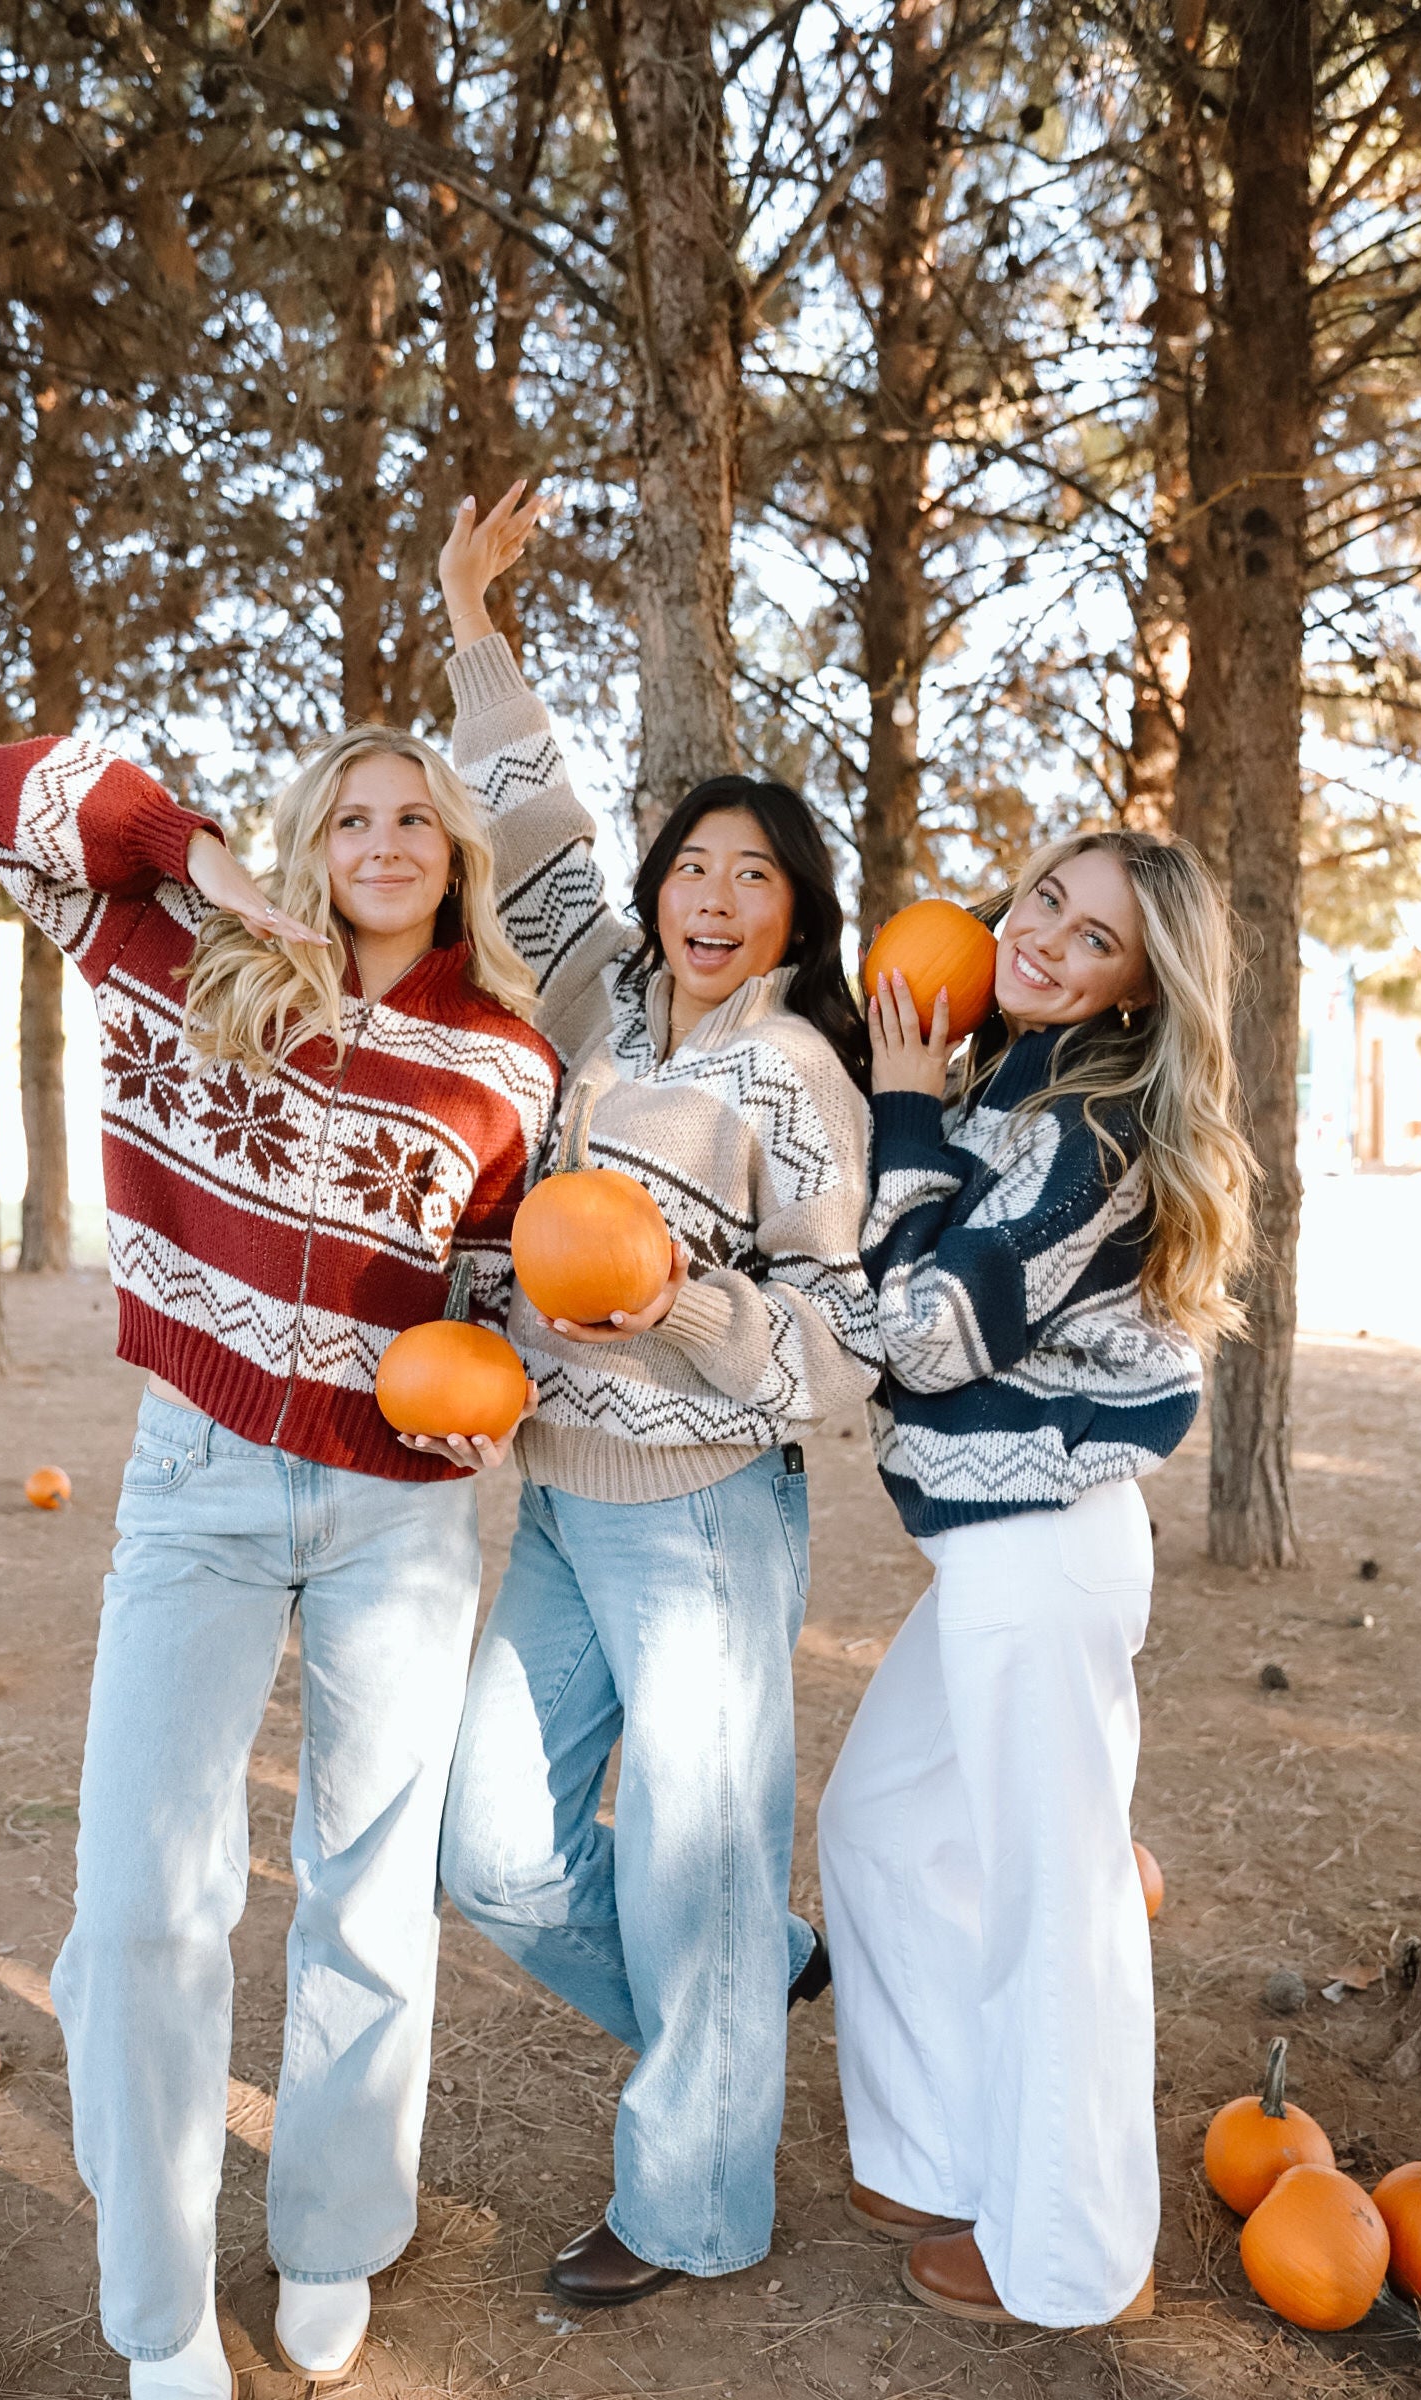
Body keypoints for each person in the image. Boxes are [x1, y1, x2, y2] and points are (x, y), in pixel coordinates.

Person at [0, 725, 557, 2396]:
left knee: (368, 1892)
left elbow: (489, 1289)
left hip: (400, 1510)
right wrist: (203, 857)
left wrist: (495, 1397)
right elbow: (11, 792)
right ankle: (158, 2306)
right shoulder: (182, 956)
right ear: (312, 835)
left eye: (416, 817)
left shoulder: (510, 1063)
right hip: (197, 1479)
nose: (384, 841)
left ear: (456, 852)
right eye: (351, 815)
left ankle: (332, 2232)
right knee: (145, 1899)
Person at [423, 486, 881, 2306]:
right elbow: (537, 826)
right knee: (496, 1855)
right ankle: (744, 2000)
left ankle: (693, 2195)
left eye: (753, 876)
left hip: (702, 1520)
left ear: (795, 915)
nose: (713, 896)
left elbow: (826, 1349)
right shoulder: (601, 1008)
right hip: (555, 1496)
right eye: (695, 865)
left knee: (696, 1870)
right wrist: (475, 620)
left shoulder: (798, 1080)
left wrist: (677, 1299)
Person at [817, 831, 1255, 2330]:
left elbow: (930, 1335)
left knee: (1057, 1900)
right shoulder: (1009, 1078)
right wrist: (919, 1103)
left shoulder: (1092, 1134)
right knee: (880, 1826)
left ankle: (1075, 2255)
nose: (1048, 941)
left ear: (1139, 992)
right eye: (1048, 901)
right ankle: (941, 2149)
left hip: (1046, 1545)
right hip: (991, 1551)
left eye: (1095, 942)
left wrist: (901, 1110)